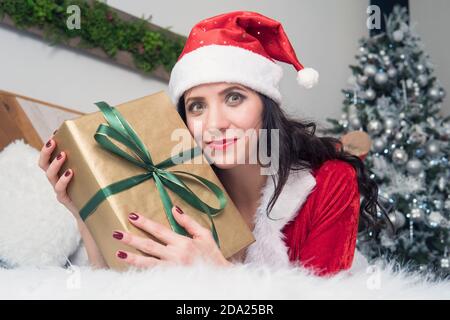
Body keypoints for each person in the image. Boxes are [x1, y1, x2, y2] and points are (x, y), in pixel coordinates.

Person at [39, 11, 385, 276]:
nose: (215, 124)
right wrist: (84, 209)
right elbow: (119, 283)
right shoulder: (176, 183)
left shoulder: (329, 182)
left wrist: (217, 275)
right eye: (197, 106)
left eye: (234, 97)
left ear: (266, 106)